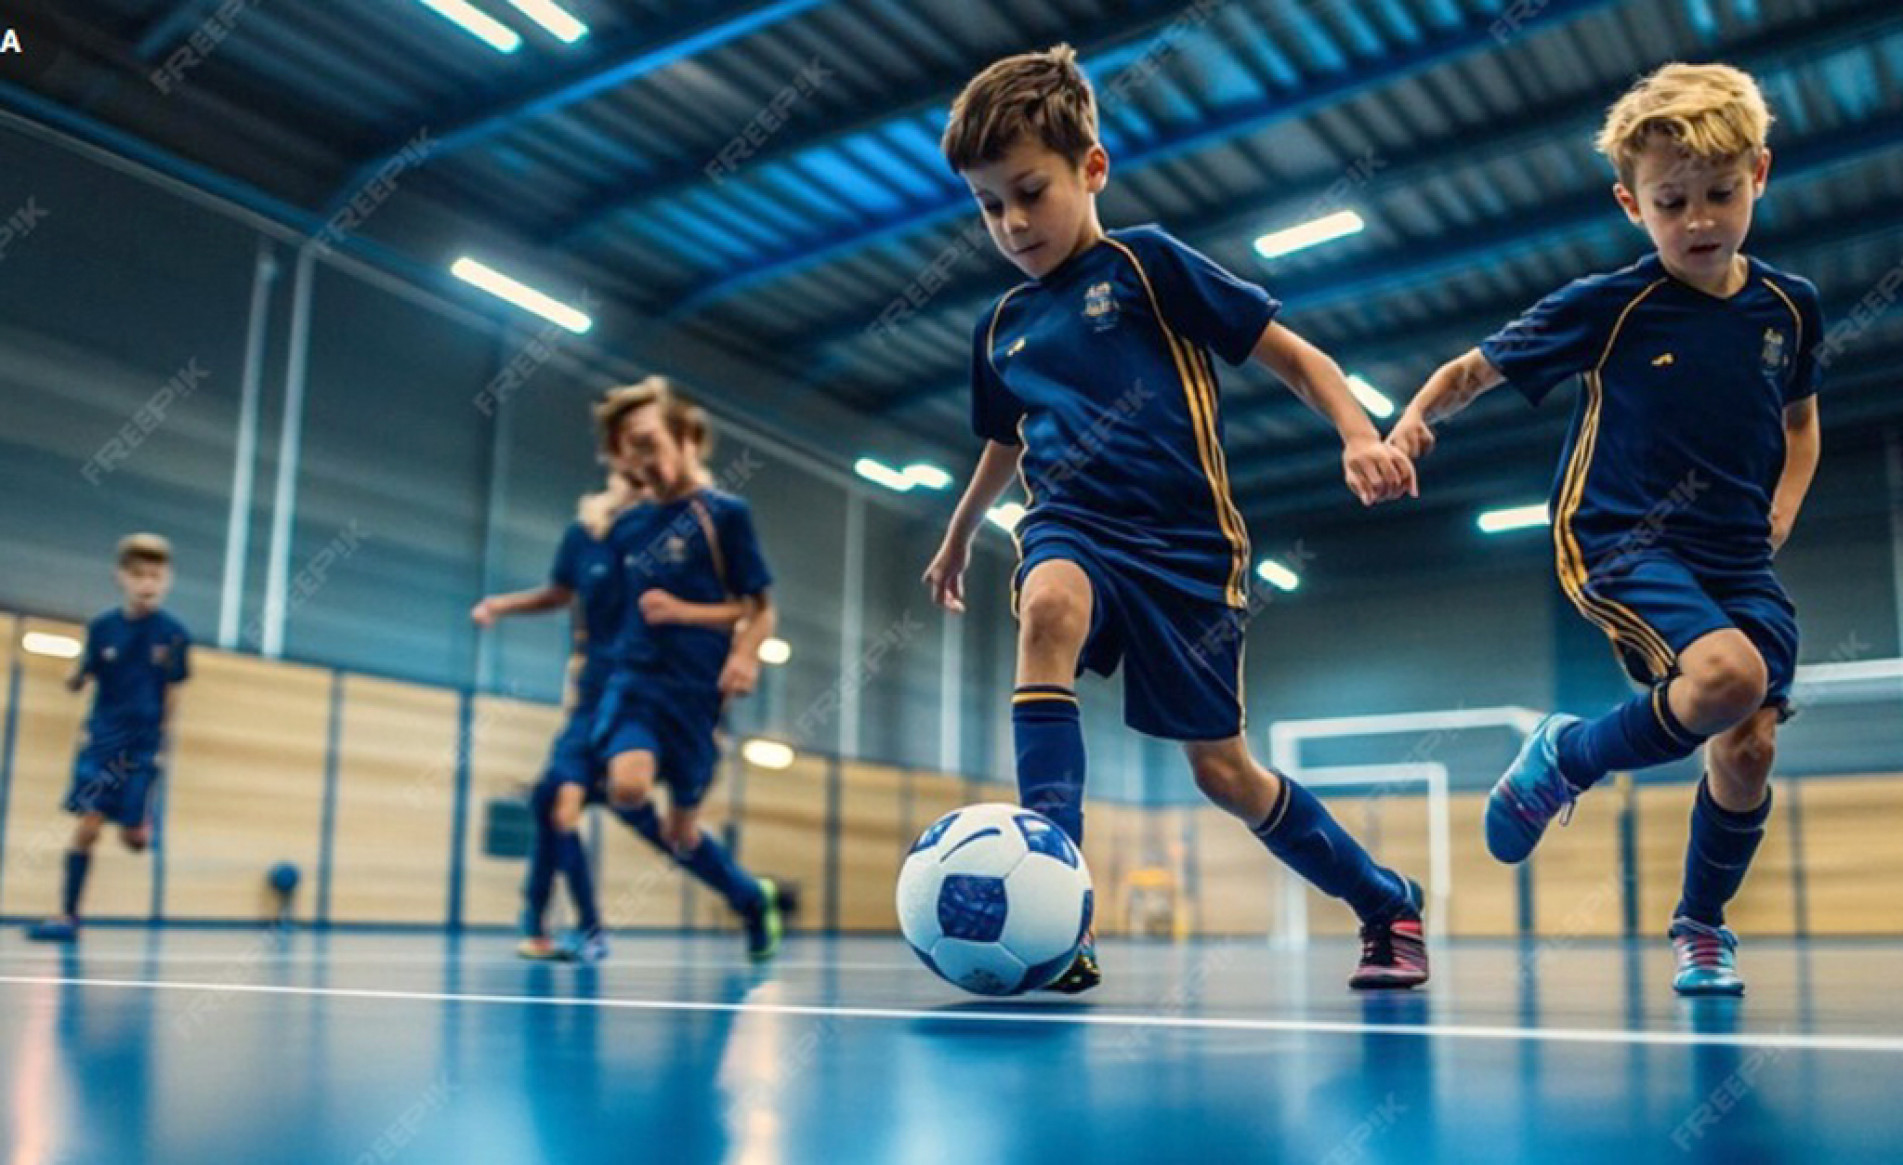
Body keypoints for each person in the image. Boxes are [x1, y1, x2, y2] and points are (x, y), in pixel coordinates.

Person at [922, 45, 1429, 992]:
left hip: (1187, 550)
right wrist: (957, 537)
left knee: (1222, 771)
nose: (1012, 222)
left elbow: (1292, 355)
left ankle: (1383, 899)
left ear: (1092, 168)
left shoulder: (1147, 266)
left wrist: (1357, 433)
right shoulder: (1000, 327)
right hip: (1071, 521)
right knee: (1048, 607)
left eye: (1029, 191)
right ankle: (1059, 914)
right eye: (988, 205)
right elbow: (1001, 440)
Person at [1387, 63, 1822, 996]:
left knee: (1747, 745)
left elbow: (1800, 422)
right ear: (1631, 204)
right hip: (1622, 537)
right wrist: (1413, 419)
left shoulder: (1790, 308)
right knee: (1728, 677)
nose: (1698, 219)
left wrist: (1784, 503)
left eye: (1720, 193)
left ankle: (1700, 924)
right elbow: (1475, 367)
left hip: (1738, 555)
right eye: (1671, 202)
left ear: (1759, 173)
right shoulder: (1611, 305)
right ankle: (1566, 755)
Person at [593, 378, 784, 962]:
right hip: (636, 683)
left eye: (649, 442)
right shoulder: (626, 528)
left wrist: (742, 654)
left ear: (686, 441)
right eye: (629, 447)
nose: (640, 458)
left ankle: (749, 897)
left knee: (681, 834)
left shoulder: (723, 516)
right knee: (626, 788)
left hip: (698, 697)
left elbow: (759, 610)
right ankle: (745, 894)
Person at [28, 534, 190, 943]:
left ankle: (140, 821)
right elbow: (82, 675)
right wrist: (73, 676)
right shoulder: (102, 628)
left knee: (134, 840)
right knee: (89, 826)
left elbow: (173, 693)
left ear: (167, 580)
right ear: (122, 577)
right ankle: (69, 915)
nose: (147, 584)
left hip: (142, 745)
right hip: (103, 740)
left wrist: (162, 746)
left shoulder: (174, 634)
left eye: (155, 576)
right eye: (139, 575)